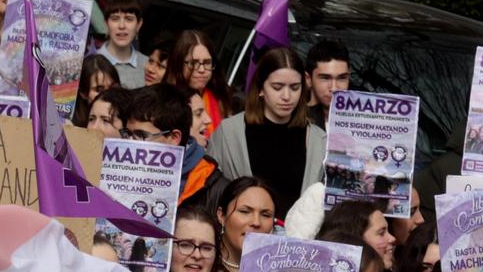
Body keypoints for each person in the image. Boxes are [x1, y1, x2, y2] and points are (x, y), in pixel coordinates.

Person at [205, 46, 324, 217]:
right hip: (239, 237)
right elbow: (210, 192)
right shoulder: (229, 132)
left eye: (295, 87)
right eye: (277, 87)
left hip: (294, 242)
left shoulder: (318, 140)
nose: (287, 96)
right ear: (261, 88)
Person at [123, 85, 216, 204]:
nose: (130, 143)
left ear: (173, 138)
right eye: (127, 134)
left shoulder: (211, 186)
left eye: (141, 136)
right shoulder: (114, 173)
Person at [207, 176, 276, 272]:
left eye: (266, 215)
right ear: (221, 216)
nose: (256, 222)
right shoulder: (203, 263)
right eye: (245, 211)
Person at [95, 0, 145, 90]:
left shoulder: (149, 67)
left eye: (129, 19)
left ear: (139, 24)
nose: (121, 26)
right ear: (106, 23)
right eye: (115, 19)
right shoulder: (89, 63)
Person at [304, 39, 351, 127]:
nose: (334, 88)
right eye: (325, 78)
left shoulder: (362, 122)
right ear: (308, 79)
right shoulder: (294, 121)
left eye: (342, 78)